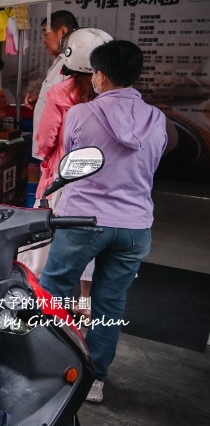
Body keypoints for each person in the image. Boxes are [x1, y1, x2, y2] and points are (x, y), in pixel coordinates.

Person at [40, 40, 167, 405]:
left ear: (101, 75)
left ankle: (58, 365)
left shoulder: (81, 114)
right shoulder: (157, 119)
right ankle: (95, 380)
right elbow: (151, 166)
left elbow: (72, 165)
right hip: (134, 226)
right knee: (111, 302)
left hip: (83, 220)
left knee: (54, 291)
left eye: (94, 72)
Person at [21, 28, 113, 286]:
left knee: (52, 239)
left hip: (63, 177)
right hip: (101, 178)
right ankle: (86, 300)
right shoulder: (111, 97)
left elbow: (47, 138)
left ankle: (49, 302)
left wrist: (45, 157)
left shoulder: (61, 93)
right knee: (93, 235)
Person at [24, 10, 81, 159]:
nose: (44, 40)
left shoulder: (73, 65)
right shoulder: (61, 61)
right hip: (51, 153)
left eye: (45, 33)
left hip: (57, 153)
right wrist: (41, 98)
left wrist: (48, 150)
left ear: (62, 31)